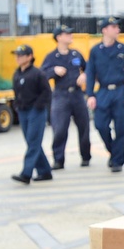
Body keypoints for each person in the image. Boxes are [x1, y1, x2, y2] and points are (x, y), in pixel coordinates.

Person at [84, 16, 124, 173]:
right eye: (114, 27)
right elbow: (90, 73)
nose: (117, 30)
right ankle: (114, 152)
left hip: (120, 91)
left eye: (117, 27)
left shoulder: (123, 49)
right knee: (100, 124)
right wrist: (90, 95)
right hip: (104, 91)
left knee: (121, 128)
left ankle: (117, 162)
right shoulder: (95, 51)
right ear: (105, 30)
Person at [41, 25, 91, 169]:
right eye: (66, 34)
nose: (70, 36)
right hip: (61, 95)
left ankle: (86, 156)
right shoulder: (52, 57)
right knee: (60, 129)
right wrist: (53, 70)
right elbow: (42, 74)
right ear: (59, 38)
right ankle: (58, 160)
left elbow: (88, 68)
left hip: (77, 94)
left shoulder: (76, 54)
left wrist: (84, 74)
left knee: (84, 126)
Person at [9, 44, 53, 185]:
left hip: (36, 111)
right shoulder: (17, 74)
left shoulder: (37, 73)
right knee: (31, 141)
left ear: (30, 57)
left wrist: (38, 106)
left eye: (21, 55)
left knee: (33, 142)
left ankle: (26, 173)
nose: (18, 58)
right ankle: (45, 171)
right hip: (23, 110)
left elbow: (47, 92)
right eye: (17, 55)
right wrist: (16, 105)